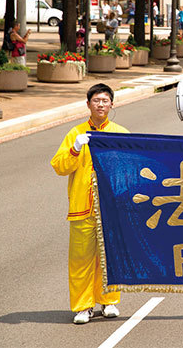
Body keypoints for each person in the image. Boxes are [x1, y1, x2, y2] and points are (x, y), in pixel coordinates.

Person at [51, 83, 128, 324]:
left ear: (112, 104)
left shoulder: (121, 133)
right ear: (88, 104)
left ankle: (109, 301)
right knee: (81, 259)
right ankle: (83, 306)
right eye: (96, 101)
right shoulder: (75, 133)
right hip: (82, 207)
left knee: (110, 257)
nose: (101, 105)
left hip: (111, 209)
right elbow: (59, 167)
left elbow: (129, 169)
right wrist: (75, 149)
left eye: (105, 101)